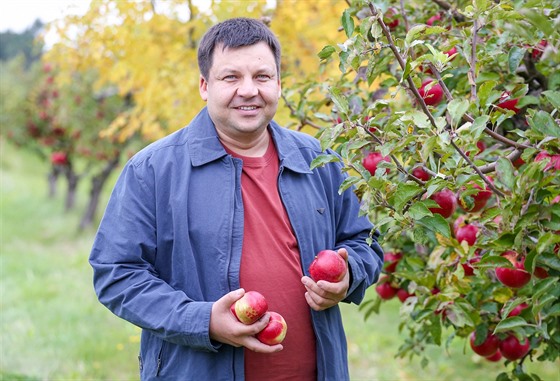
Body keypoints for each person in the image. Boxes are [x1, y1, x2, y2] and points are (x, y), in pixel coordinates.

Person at [89, 17, 384, 381]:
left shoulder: (319, 161)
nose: (249, 90)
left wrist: (349, 274)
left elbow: (364, 241)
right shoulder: (152, 171)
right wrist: (203, 321)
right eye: (231, 77)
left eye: (262, 77)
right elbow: (116, 273)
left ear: (278, 83)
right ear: (204, 85)